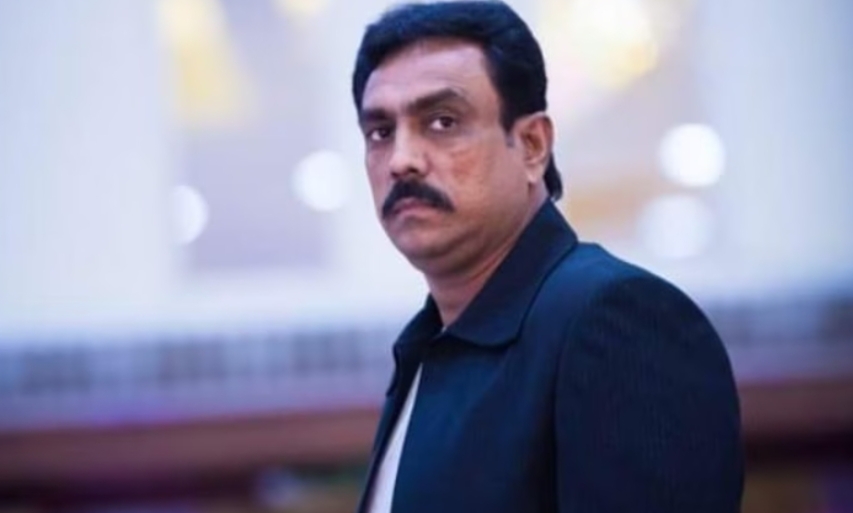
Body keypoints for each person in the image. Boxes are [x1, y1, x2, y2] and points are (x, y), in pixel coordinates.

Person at [350, 2, 743, 512]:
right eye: (380, 132)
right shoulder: (428, 346)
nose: (401, 160)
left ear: (533, 146)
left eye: (443, 121)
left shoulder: (615, 320)